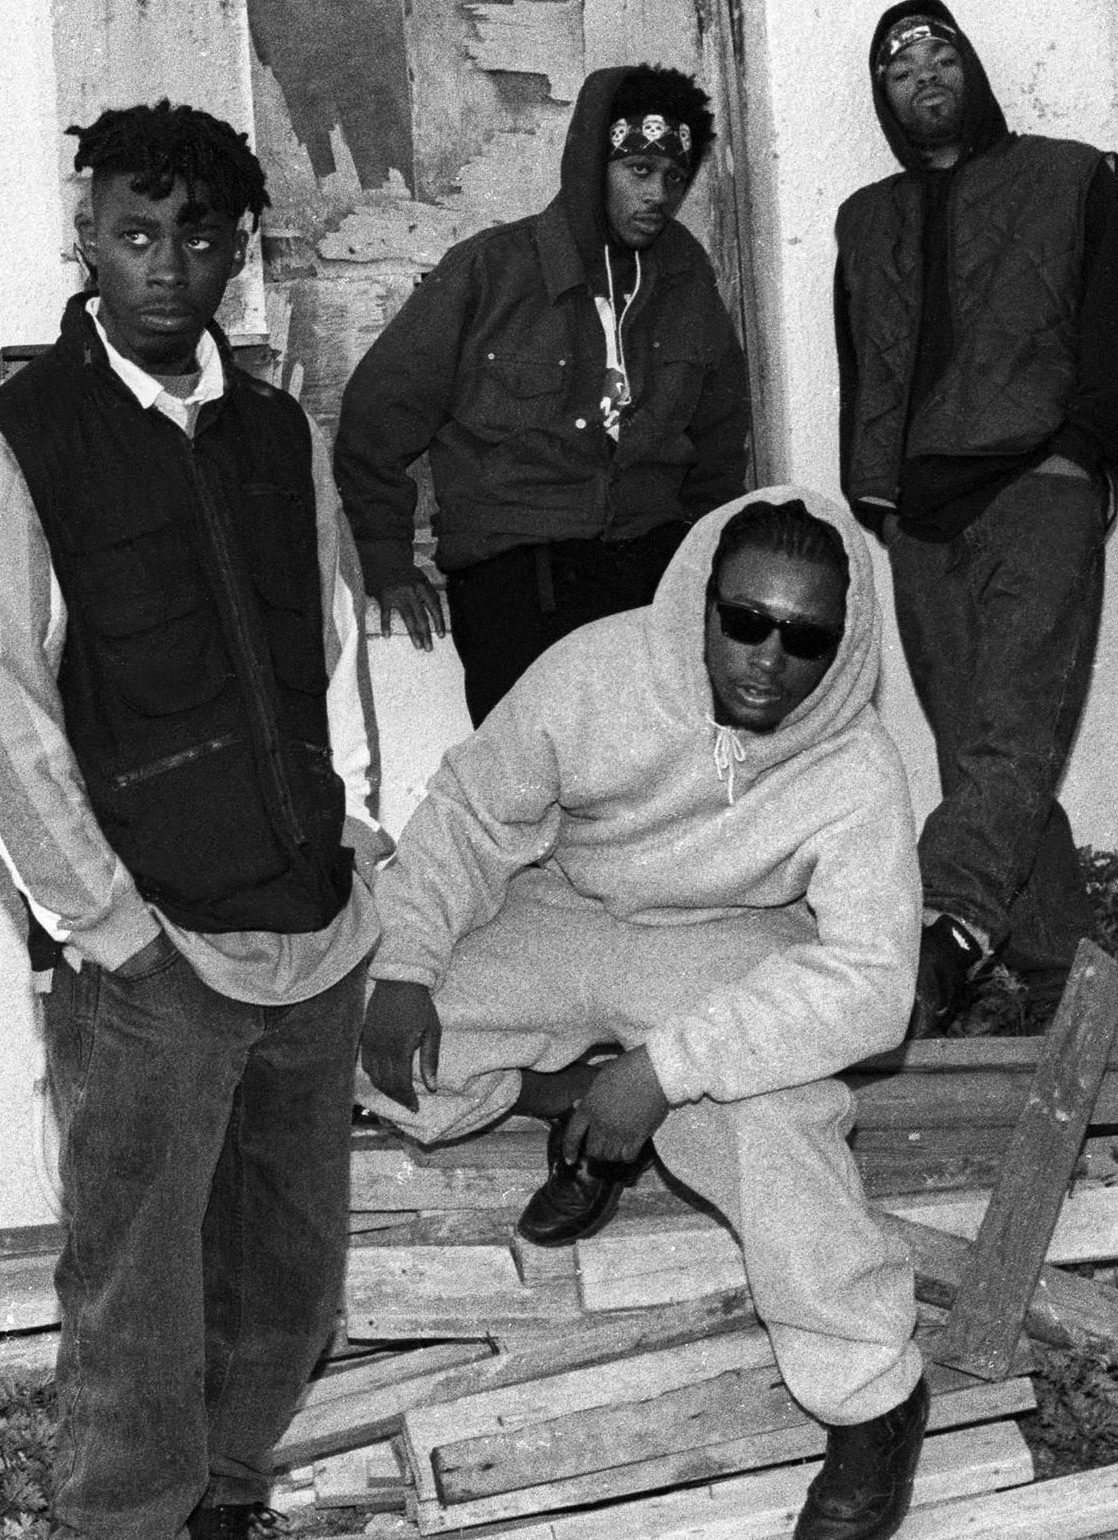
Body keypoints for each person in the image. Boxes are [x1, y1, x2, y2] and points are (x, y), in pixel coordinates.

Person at [0, 101, 389, 1540]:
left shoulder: (273, 430)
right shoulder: (18, 443)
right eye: (136, 232)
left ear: (237, 251)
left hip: (311, 941)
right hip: (156, 960)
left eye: (198, 235)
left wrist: (358, 843)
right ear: (87, 240)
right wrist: (110, 930)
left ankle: (229, 1497)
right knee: (137, 1303)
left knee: (290, 1281)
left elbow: (334, 648)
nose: (165, 265)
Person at [357, 489, 943, 1540]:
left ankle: (872, 1400)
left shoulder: (855, 767)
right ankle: (581, 1110)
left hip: (727, 941)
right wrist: (401, 964)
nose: (767, 657)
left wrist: (666, 1070)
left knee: (772, 1115)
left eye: (804, 637)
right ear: (703, 603)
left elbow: (868, 982)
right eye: (744, 620)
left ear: (843, 645)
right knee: (354, 1039)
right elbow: (470, 812)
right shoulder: (595, 671)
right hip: (569, 908)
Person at [833, 0, 1118, 1038]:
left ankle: (937, 931)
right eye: (898, 63)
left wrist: (1078, 449)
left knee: (1010, 735)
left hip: (1038, 487)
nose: (922, 71)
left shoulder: (1065, 177)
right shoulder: (866, 217)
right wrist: (872, 495)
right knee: (986, 748)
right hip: (921, 514)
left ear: (972, 68)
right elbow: (860, 364)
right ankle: (1066, 979)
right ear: (885, 99)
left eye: (939, 52)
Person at [336, 64, 752, 722]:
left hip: (649, 574)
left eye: (674, 178)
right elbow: (374, 419)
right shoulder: (489, 272)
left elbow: (721, 441)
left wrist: (701, 564)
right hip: (518, 582)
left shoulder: (686, 277)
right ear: (593, 164)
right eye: (639, 170)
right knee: (531, 795)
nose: (659, 196)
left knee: (654, 796)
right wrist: (387, 561)